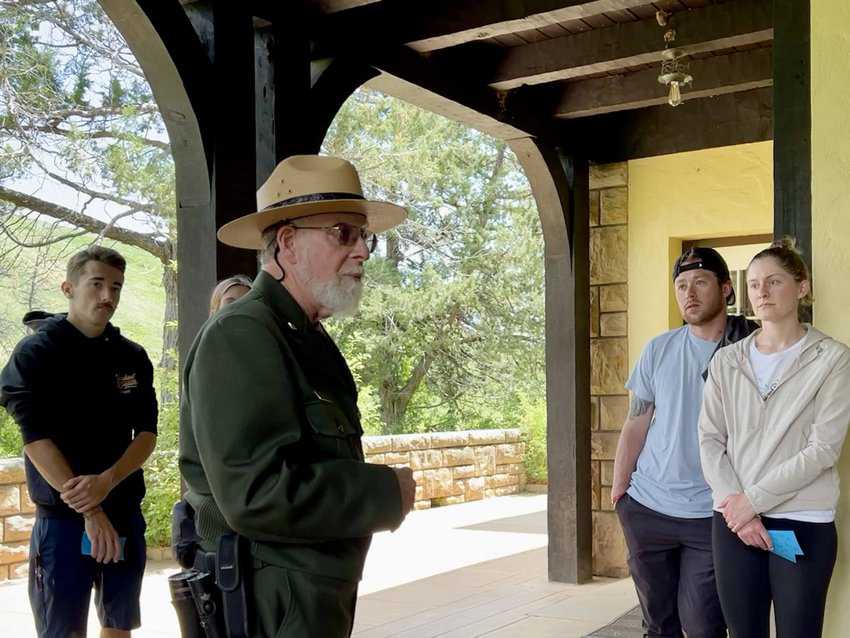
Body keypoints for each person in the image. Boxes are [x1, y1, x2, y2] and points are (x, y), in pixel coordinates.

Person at [179, 155, 416, 638]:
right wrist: (387, 491)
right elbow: (255, 495)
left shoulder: (303, 334)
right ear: (287, 243)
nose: (363, 252)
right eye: (343, 234)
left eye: (363, 236)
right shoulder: (242, 333)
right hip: (273, 601)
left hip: (309, 594)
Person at [0, 246, 158, 638]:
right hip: (64, 522)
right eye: (97, 284)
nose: (108, 297)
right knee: (64, 631)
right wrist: (91, 509)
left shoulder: (131, 356)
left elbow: (147, 434)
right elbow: (35, 439)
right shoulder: (36, 353)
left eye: (116, 287)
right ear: (69, 287)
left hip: (122, 510)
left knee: (118, 625)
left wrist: (109, 479)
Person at [699, 239, 850, 638]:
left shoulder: (833, 359)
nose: (761, 292)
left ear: (802, 287)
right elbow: (710, 440)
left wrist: (753, 502)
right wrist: (737, 506)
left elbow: (823, 450)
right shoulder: (727, 360)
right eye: (753, 284)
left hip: (800, 521)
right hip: (733, 522)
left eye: (773, 281)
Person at [611, 246, 756, 638]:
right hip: (647, 508)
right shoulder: (659, 349)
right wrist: (620, 490)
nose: (688, 294)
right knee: (658, 625)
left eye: (700, 283)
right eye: (681, 286)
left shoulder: (750, 352)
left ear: (726, 289)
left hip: (710, 514)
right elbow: (636, 421)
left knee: (704, 624)